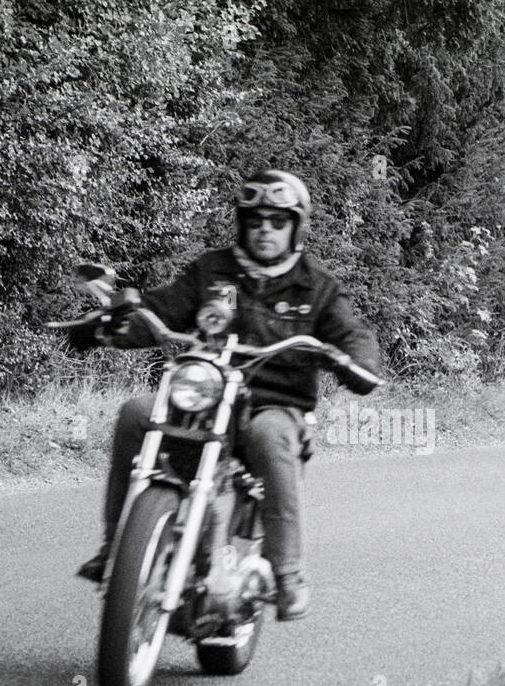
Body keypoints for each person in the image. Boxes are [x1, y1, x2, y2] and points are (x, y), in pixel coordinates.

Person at [73, 169, 382, 622]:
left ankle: (287, 573)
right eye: (256, 220)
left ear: (295, 226)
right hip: (205, 395)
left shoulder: (316, 285)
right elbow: (163, 309)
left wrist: (354, 361)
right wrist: (112, 325)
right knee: (136, 414)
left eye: (277, 221)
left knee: (270, 437)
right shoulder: (211, 269)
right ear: (242, 223)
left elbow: (352, 335)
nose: (265, 230)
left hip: (274, 404)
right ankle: (115, 549)